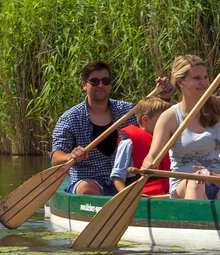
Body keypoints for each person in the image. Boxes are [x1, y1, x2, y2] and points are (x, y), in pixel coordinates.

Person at [141, 41, 220, 200]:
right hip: (185, 186)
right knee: (196, 181)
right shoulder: (169, 117)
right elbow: (152, 156)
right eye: (196, 78)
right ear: (180, 82)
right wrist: (147, 165)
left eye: (205, 77)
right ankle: (197, 221)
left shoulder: (218, 106)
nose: (204, 82)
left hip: (218, 181)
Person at [51, 61, 173, 195]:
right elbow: (56, 156)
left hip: (126, 181)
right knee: (86, 188)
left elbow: (154, 123)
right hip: (90, 182)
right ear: (84, 85)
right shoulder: (70, 118)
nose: (101, 85)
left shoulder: (128, 111)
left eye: (105, 81)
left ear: (110, 85)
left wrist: (165, 99)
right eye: (95, 81)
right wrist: (71, 155)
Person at [110, 97, 172, 195]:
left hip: (167, 194)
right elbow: (117, 176)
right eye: (162, 120)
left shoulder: (168, 141)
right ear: (145, 119)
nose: (167, 124)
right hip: (141, 196)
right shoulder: (128, 143)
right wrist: (127, 196)